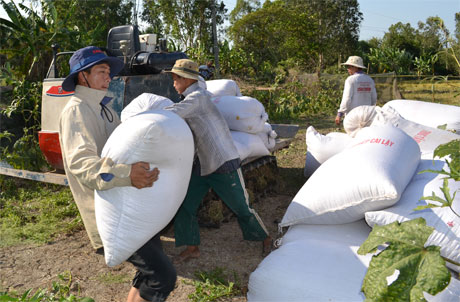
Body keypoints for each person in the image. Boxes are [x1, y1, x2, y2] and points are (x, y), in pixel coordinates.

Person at [59, 46, 176, 302]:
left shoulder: (106, 109)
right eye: (101, 71)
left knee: (150, 269)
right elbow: (82, 165)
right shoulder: (76, 111)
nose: (108, 77)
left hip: (128, 204)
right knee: (163, 276)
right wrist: (127, 174)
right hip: (109, 214)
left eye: (108, 72)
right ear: (83, 76)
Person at [163, 59, 272, 263]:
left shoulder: (197, 99)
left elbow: (171, 114)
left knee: (241, 207)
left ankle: (266, 238)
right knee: (185, 205)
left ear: (186, 80)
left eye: (175, 78)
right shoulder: (196, 96)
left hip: (222, 162)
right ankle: (192, 247)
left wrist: (146, 117)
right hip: (203, 163)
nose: (173, 82)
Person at [335, 56, 377, 125]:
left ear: (355, 67)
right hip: (367, 115)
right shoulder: (370, 80)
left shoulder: (351, 80)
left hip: (353, 115)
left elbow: (347, 99)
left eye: (349, 66)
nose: (347, 69)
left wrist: (340, 114)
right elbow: (374, 98)